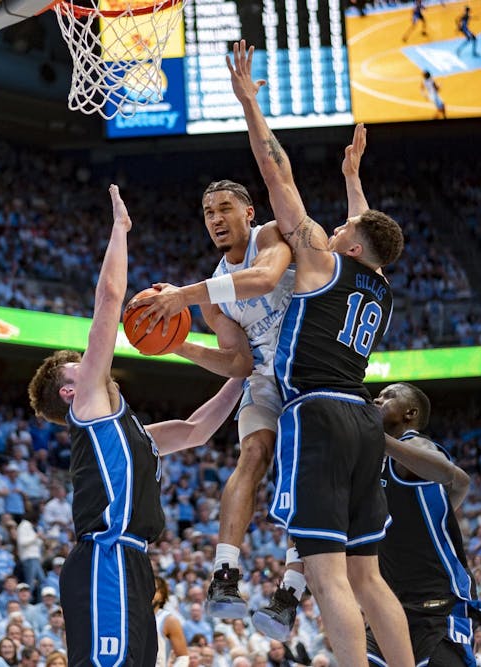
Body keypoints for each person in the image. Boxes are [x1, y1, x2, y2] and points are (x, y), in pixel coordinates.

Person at [127, 126, 372, 617]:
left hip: (312, 373)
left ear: (249, 213)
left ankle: (289, 593)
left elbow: (262, 279)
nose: (216, 219)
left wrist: (182, 296)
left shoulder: (271, 236)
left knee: (304, 477)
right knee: (253, 454)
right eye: (208, 213)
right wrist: (179, 346)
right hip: (264, 379)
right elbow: (238, 363)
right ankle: (224, 577)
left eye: (224, 209)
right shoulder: (213, 296)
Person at [227, 39, 412, 667]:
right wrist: (353, 180)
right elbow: (370, 235)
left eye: (342, 229)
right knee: (368, 577)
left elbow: (276, 174)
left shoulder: (319, 259)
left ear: (349, 247)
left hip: (318, 414)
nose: (332, 228)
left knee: (328, 575)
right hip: (363, 420)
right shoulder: (380, 286)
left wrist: (250, 105)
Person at [26, 185, 246, 667]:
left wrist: (244, 376)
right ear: (69, 392)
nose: (91, 361)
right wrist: (121, 230)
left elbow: (195, 429)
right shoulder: (89, 408)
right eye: (79, 364)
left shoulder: (130, 433)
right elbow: (109, 300)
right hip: (104, 556)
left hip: (133, 562)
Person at [365, 383, 481, 667]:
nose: (378, 399)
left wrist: (377, 439)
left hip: (437, 606)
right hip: (392, 604)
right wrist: (429, 513)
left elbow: (445, 471)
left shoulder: (414, 443)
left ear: (410, 413)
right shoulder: (377, 460)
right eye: (377, 396)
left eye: (388, 396)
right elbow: (463, 482)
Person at [155, 576, 189, 667]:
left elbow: (183, 657)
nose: (149, 593)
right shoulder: (132, 618)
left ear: (162, 596)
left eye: (154, 590)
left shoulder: (169, 620)